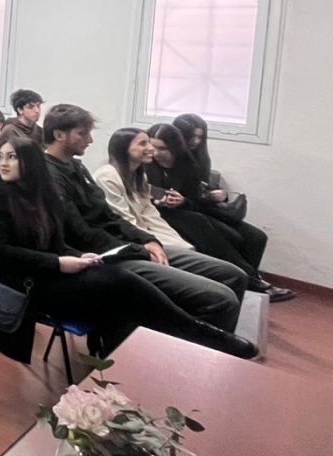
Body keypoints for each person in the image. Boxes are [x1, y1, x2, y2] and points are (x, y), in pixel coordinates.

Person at [0, 137, 256, 359]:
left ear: (30, 164)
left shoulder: (44, 196)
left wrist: (76, 256)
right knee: (123, 283)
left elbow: (57, 243)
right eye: (0, 157)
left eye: (12, 157)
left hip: (53, 272)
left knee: (122, 302)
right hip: (26, 284)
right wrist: (59, 263)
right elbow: (0, 253)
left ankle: (134, 368)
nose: (3, 163)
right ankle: (200, 334)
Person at [42, 108, 247, 332]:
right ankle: (190, 351)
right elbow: (81, 233)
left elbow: (110, 216)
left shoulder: (76, 167)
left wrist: (148, 239)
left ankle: (207, 345)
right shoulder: (50, 175)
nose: (90, 140)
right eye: (83, 133)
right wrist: (138, 249)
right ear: (60, 135)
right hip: (103, 255)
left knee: (234, 276)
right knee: (221, 298)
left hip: (124, 244)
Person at [145, 123, 292, 301]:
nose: (157, 153)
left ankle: (245, 284)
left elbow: (196, 198)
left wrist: (184, 200)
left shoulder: (187, 164)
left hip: (189, 208)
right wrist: (159, 200)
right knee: (200, 223)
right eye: (154, 147)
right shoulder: (146, 163)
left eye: (163, 148)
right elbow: (140, 194)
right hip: (160, 212)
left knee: (256, 236)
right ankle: (251, 281)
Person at [172, 113, 242, 206]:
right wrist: (205, 196)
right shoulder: (172, 159)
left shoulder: (200, 157)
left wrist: (219, 195)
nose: (196, 141)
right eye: (192, 136)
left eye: (200, 137)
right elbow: (184, 193)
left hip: (195, 206)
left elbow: (201, 187)